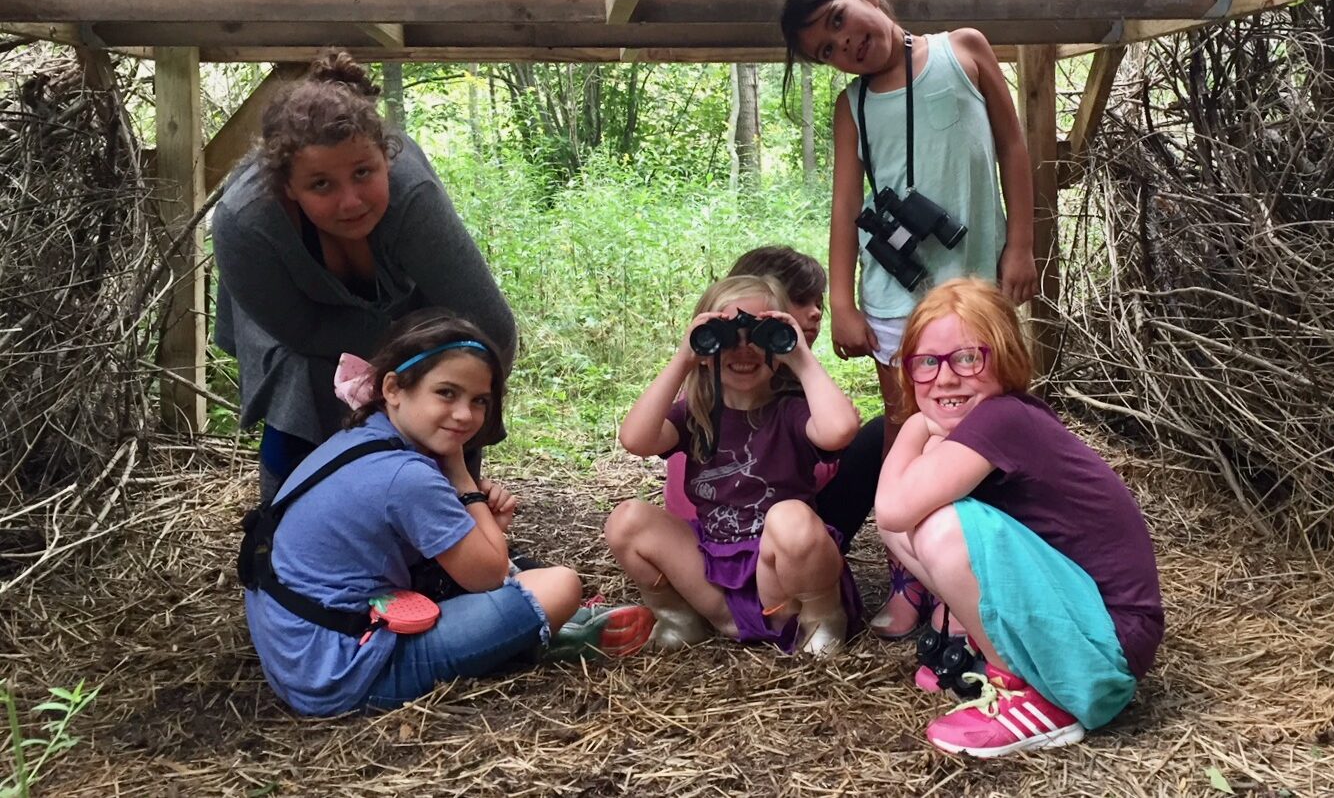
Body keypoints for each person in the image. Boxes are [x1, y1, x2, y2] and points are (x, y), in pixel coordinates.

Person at [780, 0, 1039, 638]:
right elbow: (845, 208)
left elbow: (1012, 146)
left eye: (839, 21)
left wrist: (1023, 242)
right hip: (898, 296)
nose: (845, 46)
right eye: (826, 51)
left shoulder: (965, 50)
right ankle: (913, 580)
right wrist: (841, 303)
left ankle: (986, 569)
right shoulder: (854, 107)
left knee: (991, 421)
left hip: (977, 281)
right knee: (908, 429)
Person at [243, 310, 652, 716]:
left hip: (298, 649)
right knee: (560, 585)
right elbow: (487, 576)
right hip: (343, 672)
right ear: (394, 388)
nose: (464, 415)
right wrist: (463, 479)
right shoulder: (408, 477)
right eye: (446, 393)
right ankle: (539, 639)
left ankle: (537, 631)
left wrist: (480, 524)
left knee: (518, 568)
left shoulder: (359, 436)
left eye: (479, 401)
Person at [873, 278, 1163, 757]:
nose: (945, 378)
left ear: (1005, 359)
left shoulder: (1003, 419)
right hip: (1083, 625)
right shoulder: (990, 422)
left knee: (939, 526)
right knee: (912, 524)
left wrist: (917, 422)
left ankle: (1034, 698)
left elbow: (892, 505)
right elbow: (892, 518)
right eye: (926, 363)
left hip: (1104, 650)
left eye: (967, 358)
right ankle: (994, 653)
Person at [212, 50, 517, 501]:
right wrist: (408, 361)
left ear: (384, 159)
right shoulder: (245, 221)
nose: (351, 201)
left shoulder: (411, 196)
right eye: (321, 185)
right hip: (299, 326)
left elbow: (488, 329)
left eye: (363, 173)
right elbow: (302, 329)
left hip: (418, 318)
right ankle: (286, 516)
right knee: (298, 378)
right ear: (288, 189)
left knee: (445, 384)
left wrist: (452, 431)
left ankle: (444, 513)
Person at [606, 275, 863, 656]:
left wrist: (801, 357)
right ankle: (685, 619)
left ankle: (821, 619)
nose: (743, 350)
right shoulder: (696, 415)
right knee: (627, 519)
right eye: (725, 336)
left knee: (791, 517)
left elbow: (840, 430)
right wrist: (683, 359)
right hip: (716, 577)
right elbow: (636, 439)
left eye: (761, 335)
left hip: (783, 582)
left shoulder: (791, 412)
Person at [661, 245, 884, 554]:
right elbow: (791, 478)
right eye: (800, 300)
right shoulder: (709, 397)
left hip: (778, 537)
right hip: (717, 535)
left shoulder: (767, 382)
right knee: (877, 436)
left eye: (819, 303)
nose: (816, 312)